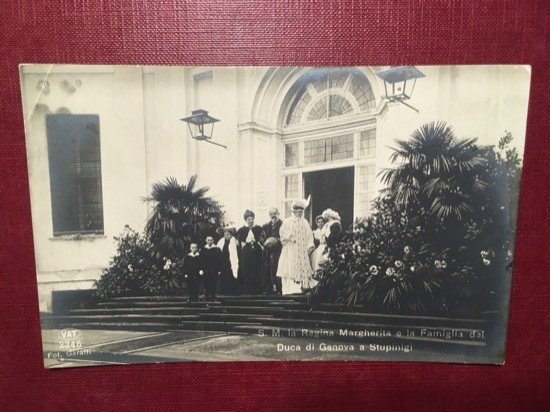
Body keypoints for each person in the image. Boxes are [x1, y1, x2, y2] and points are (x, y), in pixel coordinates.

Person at [276, 198, 315, 294]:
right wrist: (291, 237)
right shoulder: (287, 222)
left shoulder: (305, 222)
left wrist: (309, 246)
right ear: (293, 211)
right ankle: (289, 291)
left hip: (302, 251)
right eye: (298, 212)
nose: (300, 214)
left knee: (303, 269)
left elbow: (309, 235)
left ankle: (302, 289)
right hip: (291, 250)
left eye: (301, 212)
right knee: (290, 269)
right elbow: (282, 234)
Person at [236, 210, 265, 294]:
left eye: (252, 219)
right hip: (246, 252)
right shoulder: (241, 230)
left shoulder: (258, 228)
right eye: (249, 219)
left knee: (256, 269)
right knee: (246, 269)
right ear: (245, 220)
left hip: (256, 251)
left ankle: (257, 289)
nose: (251, 221)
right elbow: (238, 242)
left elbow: (262, 239)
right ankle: (246, 289)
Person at [261, 207, 283, 295]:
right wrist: (265, 242)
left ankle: (279, 288)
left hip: (278, 251)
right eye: (271, 214)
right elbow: (261, 237)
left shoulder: (283, 225)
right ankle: (268, 288)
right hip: (267, 251)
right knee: (267, 269)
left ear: (278, 214)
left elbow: (284, 237)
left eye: (274, 213)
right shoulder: (265, 226)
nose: (273, 215)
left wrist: (276, 241)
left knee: (277, 269)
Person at [217, 227, 240, 295]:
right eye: (225, 235)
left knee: (231, 275)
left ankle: (231, 291)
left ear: (231, 235)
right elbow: (218, 250)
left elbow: (237, 253)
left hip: (231, 261)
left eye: (228, 235)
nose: (227, 236)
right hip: (223, 261)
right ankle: (224, 291)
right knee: (224, 275)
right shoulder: (221, 242)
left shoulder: (234, 242)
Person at [201, 235, 222, 301]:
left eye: (211, 240)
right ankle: (206, 296)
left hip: (214, 269)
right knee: (206, 283)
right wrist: (201, 269)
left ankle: (213, 296)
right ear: (206, 241)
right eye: (208, 240)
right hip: (206, 269)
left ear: (213, 241)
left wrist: (219, 269)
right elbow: (201, 260)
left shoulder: (217, 249)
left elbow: (220, 260)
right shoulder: (203, 249)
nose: (209, 241)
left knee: (213, 283)